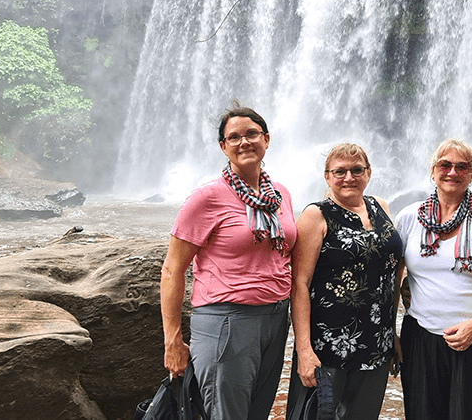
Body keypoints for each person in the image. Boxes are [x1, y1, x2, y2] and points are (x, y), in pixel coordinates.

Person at [159, 105, 296, 420]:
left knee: (257, 413)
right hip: (227, 321)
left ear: (266, 139)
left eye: (251, 134)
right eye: (234, 137)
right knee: (227, 414)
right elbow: (172, 269)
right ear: (223, 147)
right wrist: (173, 339)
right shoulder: (206, 198)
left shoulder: (280, 194)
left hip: (276, 318)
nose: (244, 142)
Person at [393, 139, 472, 420]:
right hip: (421, 336)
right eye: (445, 165)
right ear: (433, 170)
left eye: (462, 167)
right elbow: (394, 279)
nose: (453, 172)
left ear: (471, 173)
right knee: (423, 413)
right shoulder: (409, 218)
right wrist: (391, 331)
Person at [287, 143, 403, 420]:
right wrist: (303, 350)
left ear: (369, 172)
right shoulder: (316, 216)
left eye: (356, 170)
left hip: (376, 342)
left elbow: (392, 273)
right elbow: (299, 284)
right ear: (327, 177)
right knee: (319, 413)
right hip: (328, 347)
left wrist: (393, 333)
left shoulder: (381, 207)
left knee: (363, 415)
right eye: (339, 171)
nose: (349, 177)